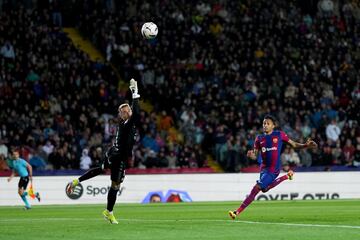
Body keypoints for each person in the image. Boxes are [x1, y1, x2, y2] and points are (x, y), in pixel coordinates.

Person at [66, 79, 140, 224]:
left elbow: (134, 112)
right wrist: (135, 93)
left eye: (127, 110)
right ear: (121, 115)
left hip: (115, 153)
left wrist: (133, 98)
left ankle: (76, 181)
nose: (126, 112)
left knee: (102, 169)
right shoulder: (126, 124)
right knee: (115, 185)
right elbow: (135, 113)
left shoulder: (127, 122)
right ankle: (108, 212)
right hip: (118, 156)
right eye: (123, 111)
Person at [228, 115, 317, 220]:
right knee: (264, 189)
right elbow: (255, 154)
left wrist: (305, 145)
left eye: (268, 123)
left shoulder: (279, 135)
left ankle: (236, 212)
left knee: (256, 188)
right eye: (264, 123)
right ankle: (287, 176)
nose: (265, 125)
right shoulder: (259, 139)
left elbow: (293, 144)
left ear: (273, 125)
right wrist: (251, 155)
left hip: (273, 169)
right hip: (263, 169)